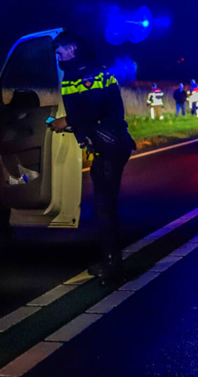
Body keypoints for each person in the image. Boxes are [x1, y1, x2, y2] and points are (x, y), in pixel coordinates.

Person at [50, 30, 135, 284]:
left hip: (109, 146)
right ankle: (110, 259)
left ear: (73, 49)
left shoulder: (86, 73)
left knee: (104, 207)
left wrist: (66, 121)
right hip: (108, 144)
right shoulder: (82, 71)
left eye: (60, 52)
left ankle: (112, 265)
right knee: (105, 205)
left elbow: (93, 109)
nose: (57, 57)